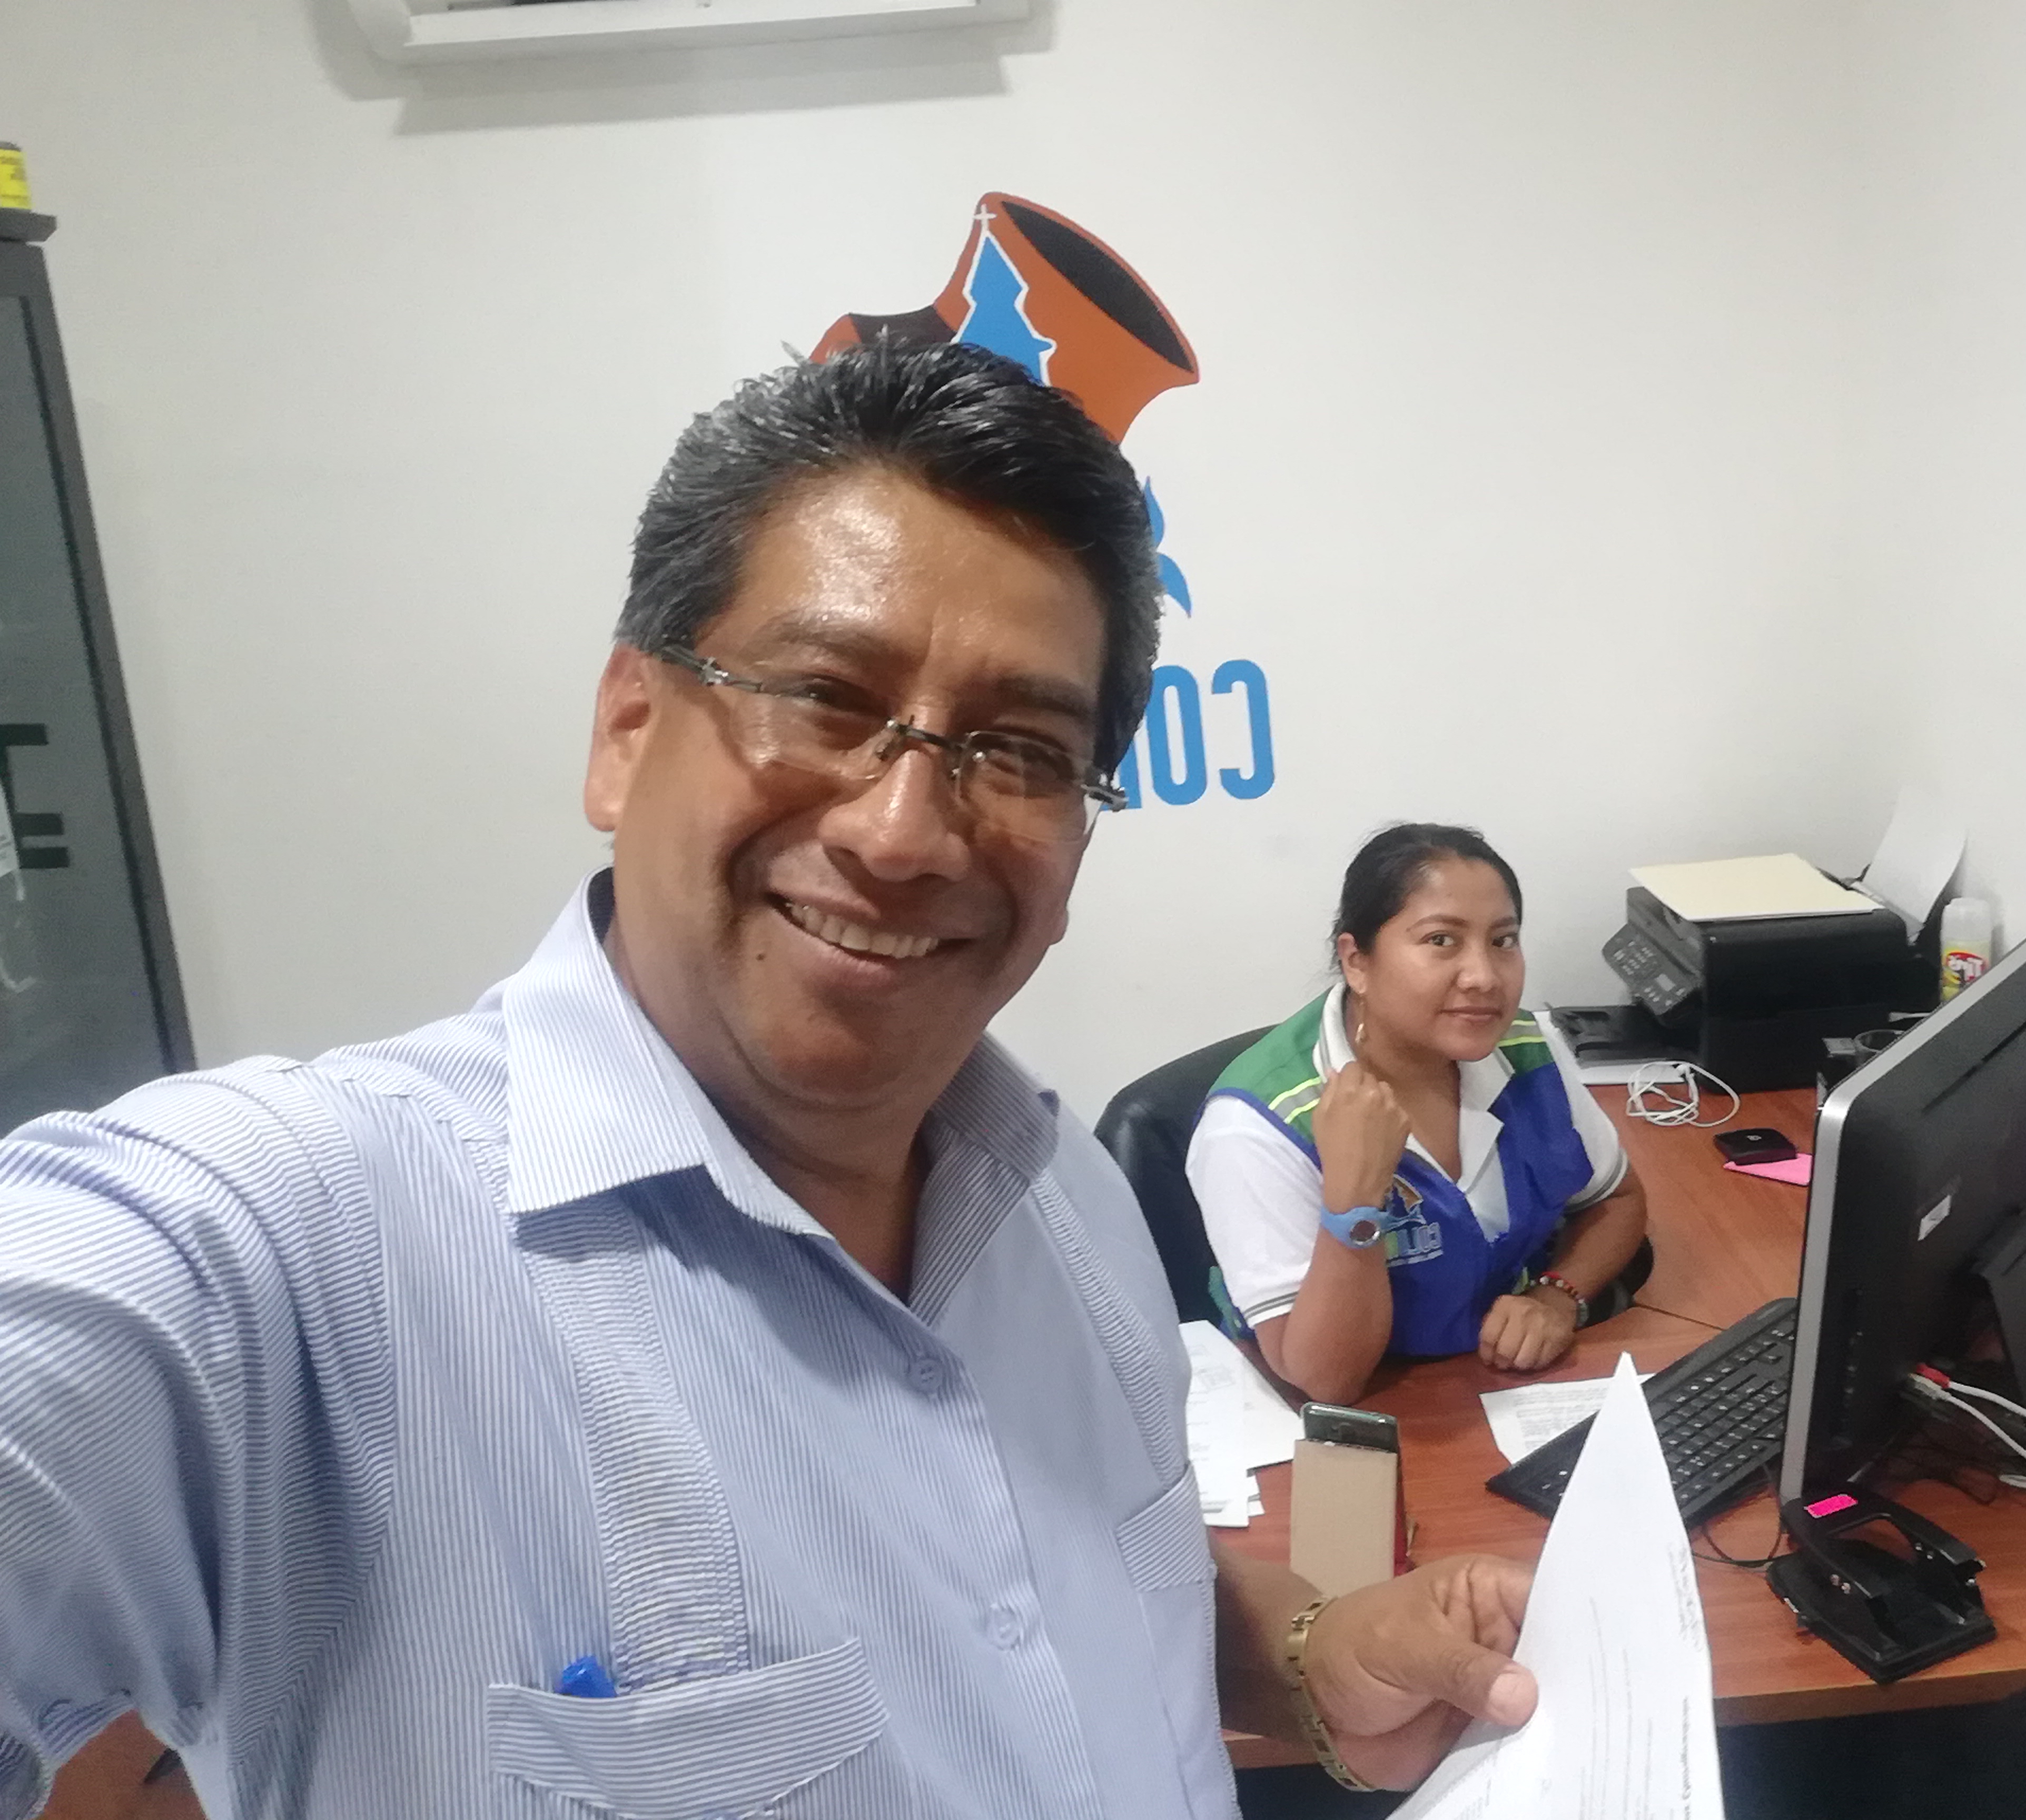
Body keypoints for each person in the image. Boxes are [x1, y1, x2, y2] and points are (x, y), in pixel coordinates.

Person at [0, 342, 1537, 1820]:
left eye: (1018, 750)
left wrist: (1312, 1650)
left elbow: (1073, 1595)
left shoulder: (1062, 1192)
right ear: (625, 730)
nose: (903, 831)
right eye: (822, 696)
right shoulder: (284, 1252)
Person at [1188, 824, 1651, 1407]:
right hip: (1366, 1411)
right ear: (1357, 962)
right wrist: (1355, 1201)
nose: (1484, 976)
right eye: (1441, 941)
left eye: (1503, 941)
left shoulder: (1526, 1047)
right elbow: (1326, 1380)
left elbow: (1616, 1199)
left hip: (1498, 1387)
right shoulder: (1254, 1125)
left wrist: (1557, 1296)